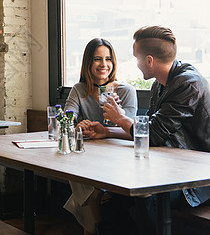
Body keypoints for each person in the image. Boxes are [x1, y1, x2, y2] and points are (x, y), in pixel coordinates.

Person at [83, 26, 210, 234]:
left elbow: (154, 135)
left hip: (197, 179)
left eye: (137, 59)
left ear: (149, 60)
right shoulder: (160, 84)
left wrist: (120, 118)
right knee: (113, 201)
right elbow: (148, 130)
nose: (136, 64)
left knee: (145, 199)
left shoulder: (188, 83)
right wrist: (107, 132)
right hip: (171, 169)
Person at [63, 38, 138, 234]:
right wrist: (78, 125)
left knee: (89, 188)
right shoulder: (79, 89)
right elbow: (67, 119)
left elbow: (130, 131)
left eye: (108, 59)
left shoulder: (126, 91)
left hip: (118, 157)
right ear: (88, 62)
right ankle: (98, 228)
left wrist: (117, 111)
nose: (104, 65)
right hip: (89, 155)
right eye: (97, 59)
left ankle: (94, 229)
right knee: (83, 178)